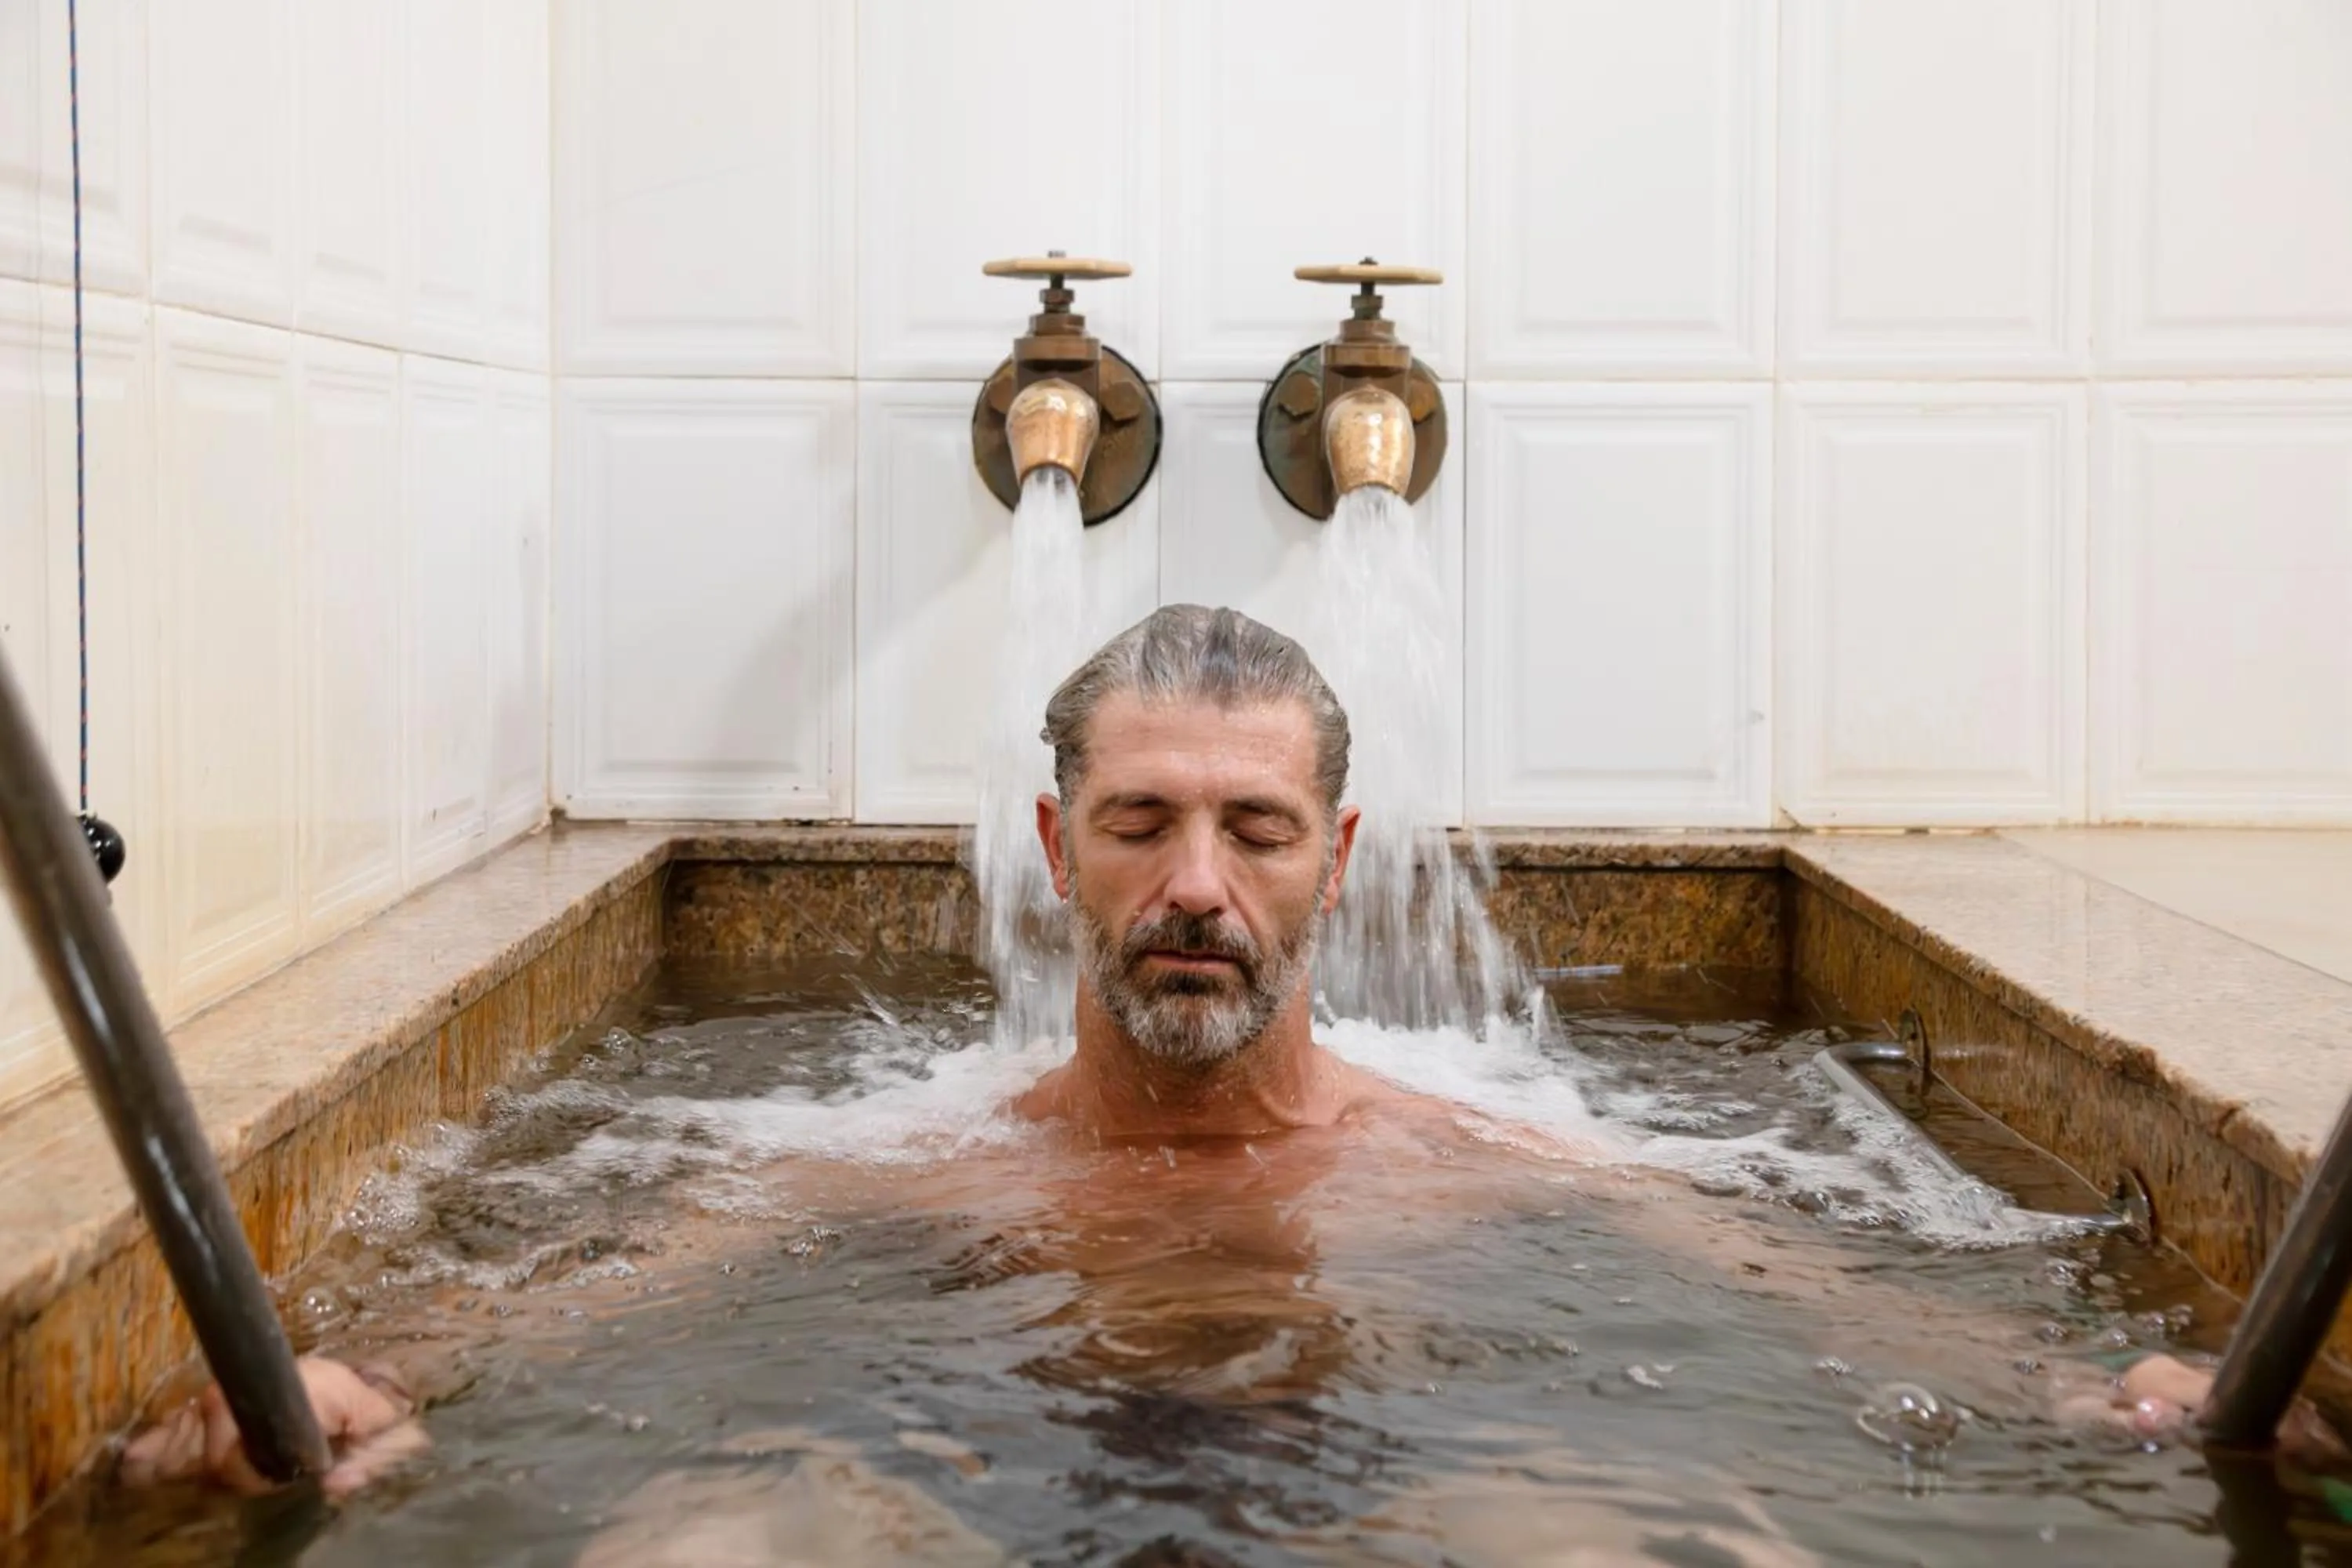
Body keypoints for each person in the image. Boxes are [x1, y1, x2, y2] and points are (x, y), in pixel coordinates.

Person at [122, 604, 2332, 1504]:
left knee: (1620, 1545)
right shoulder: (902, 1160)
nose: (1198, 882)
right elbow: (565, 1311)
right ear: (1056, 849)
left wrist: (2112, 1399)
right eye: (1146, 823)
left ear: (1337, 859)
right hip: (949, 1470)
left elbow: (1838, 1318)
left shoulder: (1488, 1160)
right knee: (721, 1542)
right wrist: (362, 1377)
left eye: (1252, 829)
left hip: (1414, 1476)